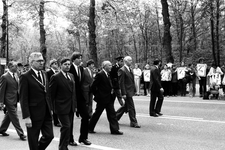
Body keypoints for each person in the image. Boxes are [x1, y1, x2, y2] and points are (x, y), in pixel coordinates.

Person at [19, 52, 54, 150]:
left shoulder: (44, 74)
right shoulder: (25, 76)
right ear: (31, 62)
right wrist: (26, 117)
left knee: (49, 136)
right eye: (39, 61)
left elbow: (47, 93)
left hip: (46, 112)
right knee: (33, 140)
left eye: (42, 60)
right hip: (33, 114)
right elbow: (23, 98)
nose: (42, 63)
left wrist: (50, 108)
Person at [49, 58, 78, 150]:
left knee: (69, 127)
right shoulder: (56, 77)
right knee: (66, 126)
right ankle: (62, 147)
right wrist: (51, 108)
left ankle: (64, 146)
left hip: (71, 106)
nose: (67, 66)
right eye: (65, 64)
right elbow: (51, 94)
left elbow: (73, 92)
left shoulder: (71, 76)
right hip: (61, 106)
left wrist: (75, 105)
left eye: (69, 64)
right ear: (60, 65)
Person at [89, 61, 123, 135]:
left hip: (109, 98)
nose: (111, 67)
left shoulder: (108, 74)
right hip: (102, 98)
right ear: (104, 66)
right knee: (97, 114)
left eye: (111, 65)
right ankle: (89, 128)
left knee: (112, 114)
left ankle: (115, 130)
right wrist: (97, 95)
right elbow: (93, 86)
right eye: (109, 65)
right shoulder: (100, 74)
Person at [0, 61, 26, 140]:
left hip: (15, 99)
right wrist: (1, 102)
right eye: (15, 66)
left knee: (9, 116)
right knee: (14, 116)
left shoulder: (16, 75)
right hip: (8, 100)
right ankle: (21, 133)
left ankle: (1, 129)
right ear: (10, 67)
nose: (17, 68)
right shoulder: (4, 77)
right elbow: (2, 90)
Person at [69, 52, 91, 145]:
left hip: (80, 96)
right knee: (70, 119)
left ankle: (83, 138)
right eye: (78, 58)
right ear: (74, 59)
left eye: (81, 58)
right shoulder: (69, 68)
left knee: (86, 116)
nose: (80, 60)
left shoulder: (81, 69)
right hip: (71, 97)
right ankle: (70, 139)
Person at [116, 56, 141, 128]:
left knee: (125, 106)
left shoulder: (130, 69)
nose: (131, 61)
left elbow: (131, 81)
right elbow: (121, 83)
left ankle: (115, 117)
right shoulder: (122, 70)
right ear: (125, 61)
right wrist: (123, 93)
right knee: (131, 107)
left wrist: (134, 90)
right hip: (126, 92)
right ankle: (133, 122)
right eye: (130, 60)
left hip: (130, 91)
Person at [46, 59, 61, 127]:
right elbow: (47, 82)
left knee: (56, 106)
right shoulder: (48, 72)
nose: (56, 64)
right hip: (51, 91)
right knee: (52, 106)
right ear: (51, 65)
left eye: (57, 63)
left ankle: (56, 119)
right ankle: (55, 121)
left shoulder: (58, 72)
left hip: (58, 91)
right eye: (54, 63)